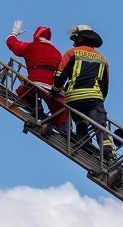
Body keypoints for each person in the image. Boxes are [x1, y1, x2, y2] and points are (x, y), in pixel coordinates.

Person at [50, 24, 116, 159]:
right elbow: (105, 85)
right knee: (100, 127)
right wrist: (100, 101)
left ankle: (84, 143)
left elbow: (59, 78)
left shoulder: (71, 53)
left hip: (73, 99)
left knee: (80, 121)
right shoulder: (102, 59)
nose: (73, 42)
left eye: (74, 39)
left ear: (80, 39)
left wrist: (54, 92)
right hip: (93, 99)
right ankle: (110, 156)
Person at [6, 19, 67, 129]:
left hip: (35, 83)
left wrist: (14, 33)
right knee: (61, 111)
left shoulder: (30, 47)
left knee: (21, 91)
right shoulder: (57, 52)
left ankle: (36, 106)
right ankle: (65, 126)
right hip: (54, 87)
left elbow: (12, 44)